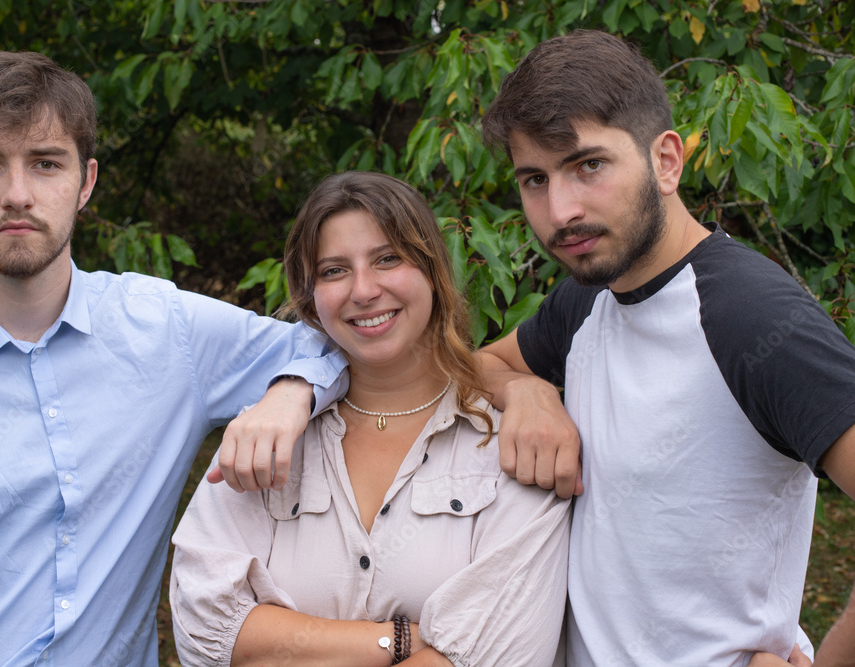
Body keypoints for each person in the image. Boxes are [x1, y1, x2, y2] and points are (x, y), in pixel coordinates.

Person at [0, 51, 347, 666]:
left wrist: (290, 392)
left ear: (85, 182)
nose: (17, 195)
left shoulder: (166, 332)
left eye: (45, 163)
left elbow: (333, 343)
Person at [476, 29, 855, 666]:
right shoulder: (588, 299)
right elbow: (479, 364)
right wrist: (526, 391)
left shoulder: (750, 315)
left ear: (666, 161)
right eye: (535, 178)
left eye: (588, 165)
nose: (560, 210)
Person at [169, 171, 571, 666]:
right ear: (310, 296)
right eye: (334, 270)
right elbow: (205, 630)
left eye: (387, 259)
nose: (363, 290)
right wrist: (401, 641)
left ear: (432, 269)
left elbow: (499, 654)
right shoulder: (265, 437)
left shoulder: (512, 441)